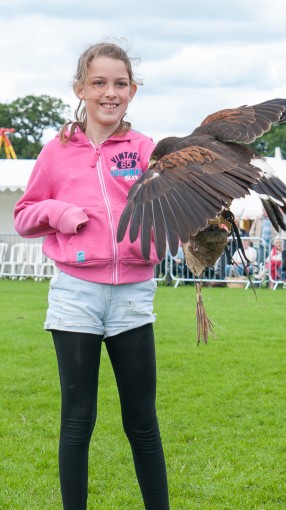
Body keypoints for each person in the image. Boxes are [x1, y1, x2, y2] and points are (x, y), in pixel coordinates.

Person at [14, 42, 170, 510]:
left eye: (119, 83)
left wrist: (156, 242)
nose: (109, 92)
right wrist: (60, 212)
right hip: (76, 295)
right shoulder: (57, 152)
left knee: (142, 421)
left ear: (133, 90)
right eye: (98, 83)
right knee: (77, 419)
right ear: (80, 89)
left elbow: (171, 216)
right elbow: (24, 215)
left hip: (133, 298)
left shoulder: (147, 150)